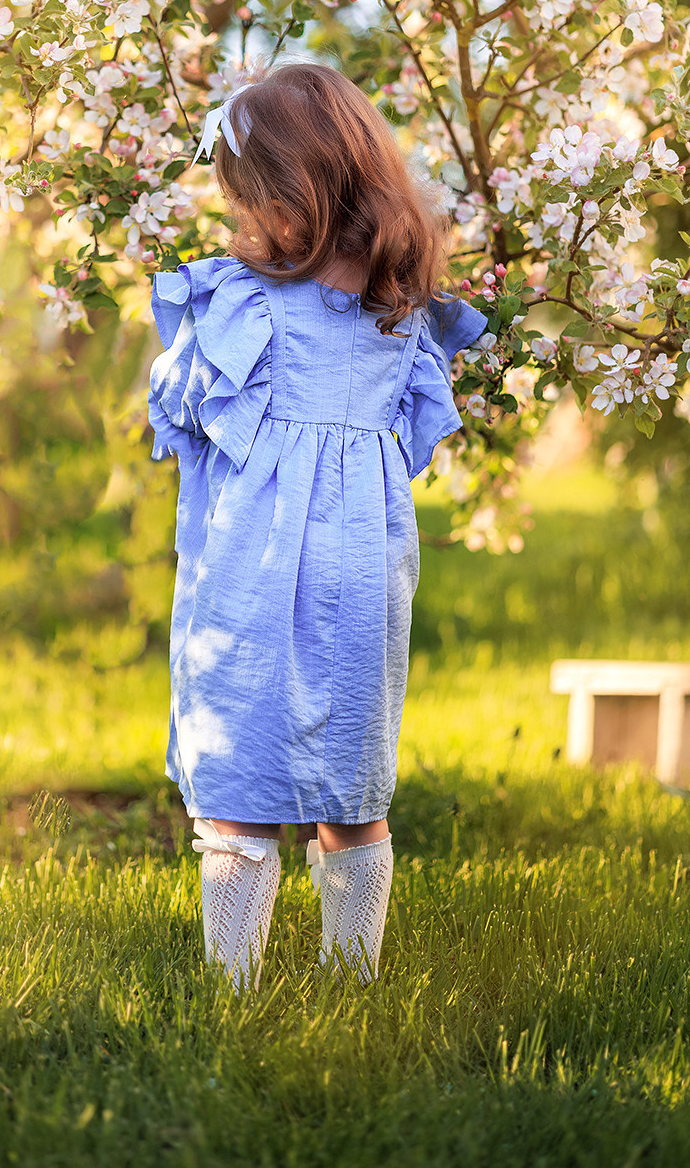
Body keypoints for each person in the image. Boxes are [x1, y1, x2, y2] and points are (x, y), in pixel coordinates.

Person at [147, 62, 488, 991]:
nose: (242, 220)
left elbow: (179, 410)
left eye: (249, 199)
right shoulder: (399, 310)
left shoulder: (242, 302)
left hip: (254, 569)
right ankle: (352, 988)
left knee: (243, 768)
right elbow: (413, 439)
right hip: (365, 569)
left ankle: (234, 988)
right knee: (353, 775)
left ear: (288, 197)